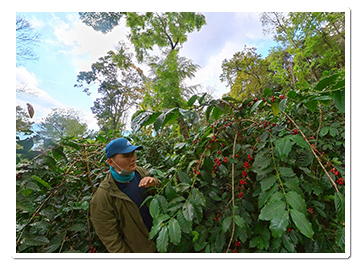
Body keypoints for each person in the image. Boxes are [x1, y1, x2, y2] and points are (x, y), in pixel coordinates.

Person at [90, 138, 161, 253]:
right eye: (126, 156)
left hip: (160, 240)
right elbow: (111, 239)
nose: (132, 158)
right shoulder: (103, 197)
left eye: (133, 153)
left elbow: (160, 197)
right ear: (111, 162)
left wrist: (154, 183)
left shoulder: (141, 173)